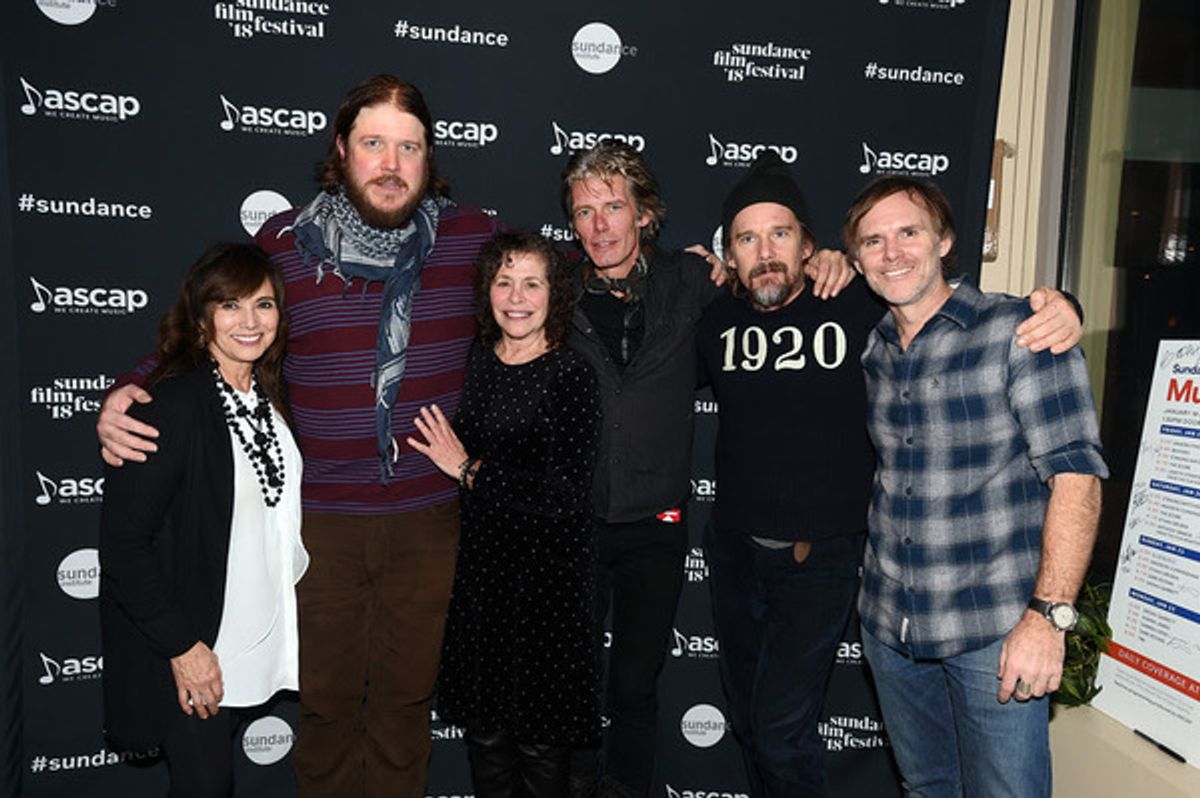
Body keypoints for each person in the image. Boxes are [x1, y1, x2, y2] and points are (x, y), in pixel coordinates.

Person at [96, 75, 499, 797]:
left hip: (427, 522)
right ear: (341, 150)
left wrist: (682, 271)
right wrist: (129, 390)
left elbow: (551, 285)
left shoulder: (470, 237)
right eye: (374, 143)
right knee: (328, 710)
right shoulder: (286, 241)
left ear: (428, 158)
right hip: (323, 528)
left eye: (409, 147)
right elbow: (209, 315)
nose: (391, 162)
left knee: (406, 711)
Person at [695, 153, 1085, 798]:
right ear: (728, 253)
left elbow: (1073, 468)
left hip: (846, 566)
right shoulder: (716, 319)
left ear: (810, 245)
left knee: (781, 731)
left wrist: (1061, 306)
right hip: (761, 562)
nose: (765, 251)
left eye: (781, 233)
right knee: (763, 727)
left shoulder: (858, 304)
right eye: (746, 238)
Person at [558, 142, 859, 798]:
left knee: (750, 718)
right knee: (743, 720)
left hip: (748, 540)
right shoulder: (557, 289)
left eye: (614, 206)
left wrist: (1057, 307)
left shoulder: (710, 286)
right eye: (585, 211)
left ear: (646, 216)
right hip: (648, 536)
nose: (600, 223)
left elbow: (936, 304)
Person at [846, 176, 1108, 798]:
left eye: (909, 232)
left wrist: (1047, 620)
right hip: (891, 627)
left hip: (994, 633)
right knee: (927, 788)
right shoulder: (875, 352)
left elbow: (1078, 478)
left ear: (945, 241)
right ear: (857, 263)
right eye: (873, 242)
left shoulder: (1022, 331)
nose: (893, 253)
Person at [100, 242, 307, 798]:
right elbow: (124, 544)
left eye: (263, 305)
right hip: (197, 649)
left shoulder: (266, 399)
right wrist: (184, 649)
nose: (249, 321)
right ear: (200, 319)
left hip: (250, 641)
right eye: (230, 305)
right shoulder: (172, 405)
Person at [407, 230, 601, 797]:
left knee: (542, 752)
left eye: (532, 283)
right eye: (504, 281)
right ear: (487, 291)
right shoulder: (474, 361)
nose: (517, 297)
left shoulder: (571, 375)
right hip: (481, 586)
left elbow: (564, 497)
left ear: (553, 294)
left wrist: (469, 469)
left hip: (546, 592)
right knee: (487, 744)